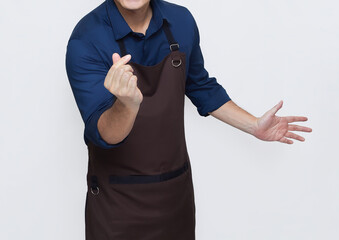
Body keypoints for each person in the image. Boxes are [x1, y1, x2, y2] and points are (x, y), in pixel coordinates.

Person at [65, 0, 312, 239]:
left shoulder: (180, 21)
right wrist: (128, 104)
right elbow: (105, 134)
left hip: (174, 197)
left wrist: (254, 125)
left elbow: (201, 87)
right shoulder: (87, 38)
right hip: (117, 205)